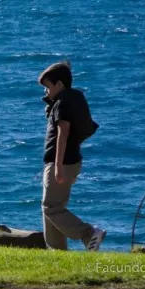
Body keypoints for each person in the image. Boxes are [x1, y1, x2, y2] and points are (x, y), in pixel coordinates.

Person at [39, 61, 106, 251]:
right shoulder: (70, 100)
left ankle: (88, 233)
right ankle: (57, 252)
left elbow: (63, 133)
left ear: (59, 84)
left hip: (62, 162)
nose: (45, 92)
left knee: (51, 207)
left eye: (48, 87)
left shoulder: (62, 104)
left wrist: (58, 165)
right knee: (54, 208)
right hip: (69, 161)